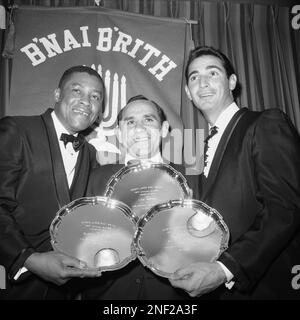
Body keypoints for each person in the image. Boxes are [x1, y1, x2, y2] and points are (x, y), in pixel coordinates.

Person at [169, 45, 300, 299]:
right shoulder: (196, 152)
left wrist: (225, 268)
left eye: (213, 73)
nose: (203, 83)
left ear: (232, 81)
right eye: (194, 77)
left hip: (268, 287)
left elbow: (285, 209)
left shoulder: (266, 123)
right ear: (188, 92)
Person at [82, 95, 202, 300]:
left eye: (148, 119)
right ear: (119, 133)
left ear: (164, 129)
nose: (139, 128)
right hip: (110, 293)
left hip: (173, 294)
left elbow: (204, 241)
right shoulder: (96, 177)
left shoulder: (190, 178)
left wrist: (191, 220)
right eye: (130, 122)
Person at [0, 65, 105, 300]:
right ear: (57, 95)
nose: (86, 101)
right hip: (14, 286)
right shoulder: (16, 130)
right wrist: (28, 260)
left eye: (95, 97)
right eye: (77, 91)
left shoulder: (90, 154)